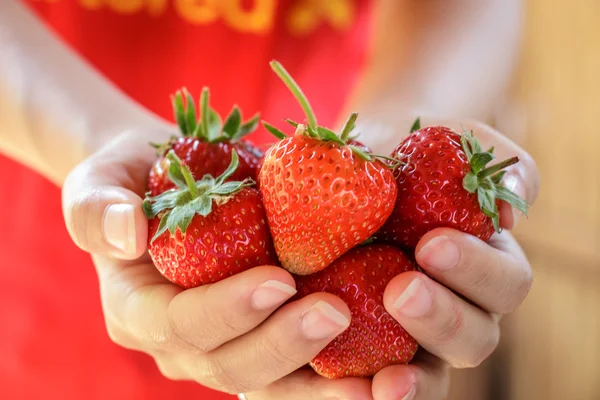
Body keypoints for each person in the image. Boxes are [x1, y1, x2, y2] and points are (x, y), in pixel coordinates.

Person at [0, 1, 539, 399]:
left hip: (341, 159)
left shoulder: (357, 184)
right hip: (48, 279)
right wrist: (95, 137)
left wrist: (412, 109)